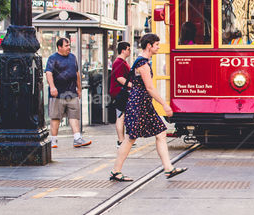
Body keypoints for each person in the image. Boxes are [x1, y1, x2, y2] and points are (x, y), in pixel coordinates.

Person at [109, 34, 186, 182]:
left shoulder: (143, 61)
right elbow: (149, 88)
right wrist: (164, 104)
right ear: (149, 46)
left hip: (144, 104)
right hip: (139, 104)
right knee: (131, 138)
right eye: (157, 44)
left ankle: (168, 168)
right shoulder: (142, 63)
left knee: (161, 132)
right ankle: (115, 171)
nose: (158, 47)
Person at [45, 37, 90, 148]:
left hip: (72, 93)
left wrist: (79, 89)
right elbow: (48, 73)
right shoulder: (53, 58)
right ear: (59, 47)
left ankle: (77, 138)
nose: (69, 47)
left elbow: (77, 73)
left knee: (74, 116)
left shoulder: (72, 57)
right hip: (57, 93)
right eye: (66, 45)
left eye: (69, 45)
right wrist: (52, 87)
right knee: (56, 117)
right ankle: (54, 141)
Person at [108, 41, 132, 146]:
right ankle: (121, 140)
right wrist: (132, 85)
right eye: (128, 49)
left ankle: (123, 140)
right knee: (121, 115)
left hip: (122, 92)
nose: (130, 51)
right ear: (123, 50)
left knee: (123, 115)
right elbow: (120, 78)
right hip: (119, 92)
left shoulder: (122, 62)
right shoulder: (118, 62)